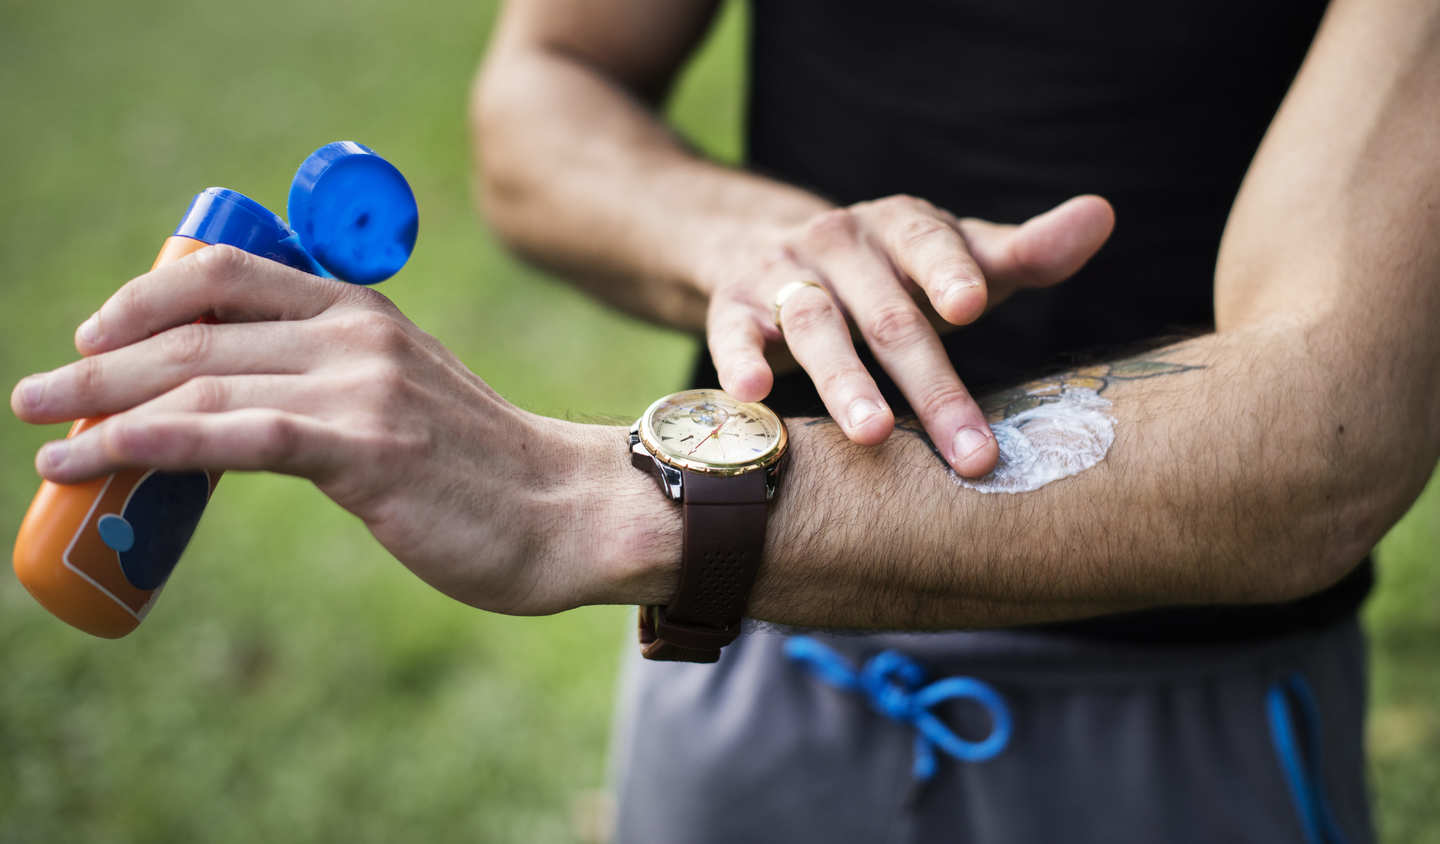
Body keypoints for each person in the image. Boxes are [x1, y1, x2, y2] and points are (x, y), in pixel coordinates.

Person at [8, 0, 1435, 840]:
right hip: (744, 681)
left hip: (1172, 740)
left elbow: (1330, 422)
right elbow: (550, 79)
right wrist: (754, 235)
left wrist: (601, 500)